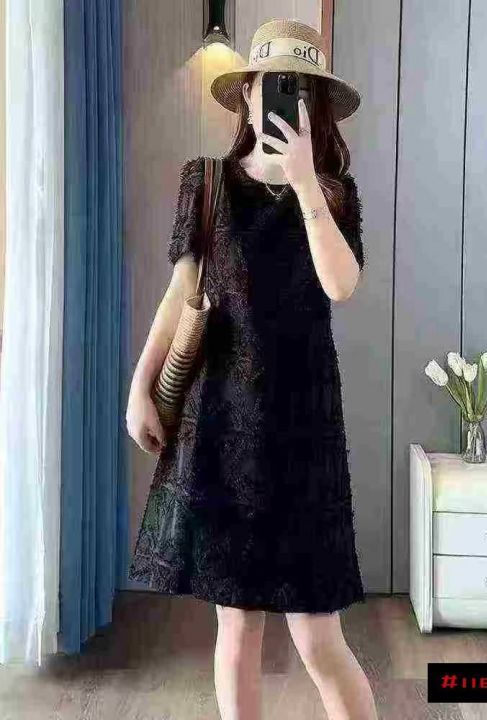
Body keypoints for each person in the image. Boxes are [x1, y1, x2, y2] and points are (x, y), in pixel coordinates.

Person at [125, 17, 378, 720]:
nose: (283, 97)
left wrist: (304, 183)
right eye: (271, 84)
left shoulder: (334, 193)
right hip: (223, 424)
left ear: (315, 104)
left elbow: (341, 286)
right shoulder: (205, 183)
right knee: (235, 631)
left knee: (319, 639)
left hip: (305, 435)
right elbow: (180, 294)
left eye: (298, 87)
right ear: (247, 95)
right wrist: (141, 388)